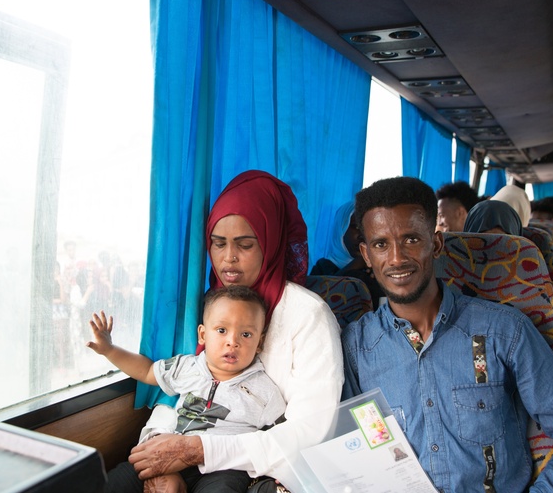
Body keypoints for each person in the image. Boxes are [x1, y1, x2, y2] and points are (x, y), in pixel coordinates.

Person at [342, 176, 553, 492]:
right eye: (381, 244)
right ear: (367, 254)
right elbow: (353, 452)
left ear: (437, 243)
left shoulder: (503, 331)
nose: (397, 258)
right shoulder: (356, 348)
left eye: (412, 239)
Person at [125, 170, 343, 493]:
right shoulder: (206, 303)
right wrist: (154, 446)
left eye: (245, 245)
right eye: (217, 243)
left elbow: (309, 431)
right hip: (178, 449)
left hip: (254, 470)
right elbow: (177, 393)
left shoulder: (309, 316)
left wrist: (200, 450)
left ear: (270, 243)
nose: (228, 259)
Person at [88, 285, 287, 492]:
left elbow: (282, 436)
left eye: (246, 334)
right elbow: (147, 371)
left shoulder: (265, 391)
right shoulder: (187, 367)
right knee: (116, 480)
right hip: (170, 454)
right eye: (221, 330)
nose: (232, 342)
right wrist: (109, 350)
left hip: (224, 470)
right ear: (202, 335)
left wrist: (283, 472)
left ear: (260, 343)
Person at [310, 201, 355, 276]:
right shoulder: (323, 268)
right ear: (341, 229)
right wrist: (356, 265)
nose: (362, 236)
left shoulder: (376, 269)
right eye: (356, 227)